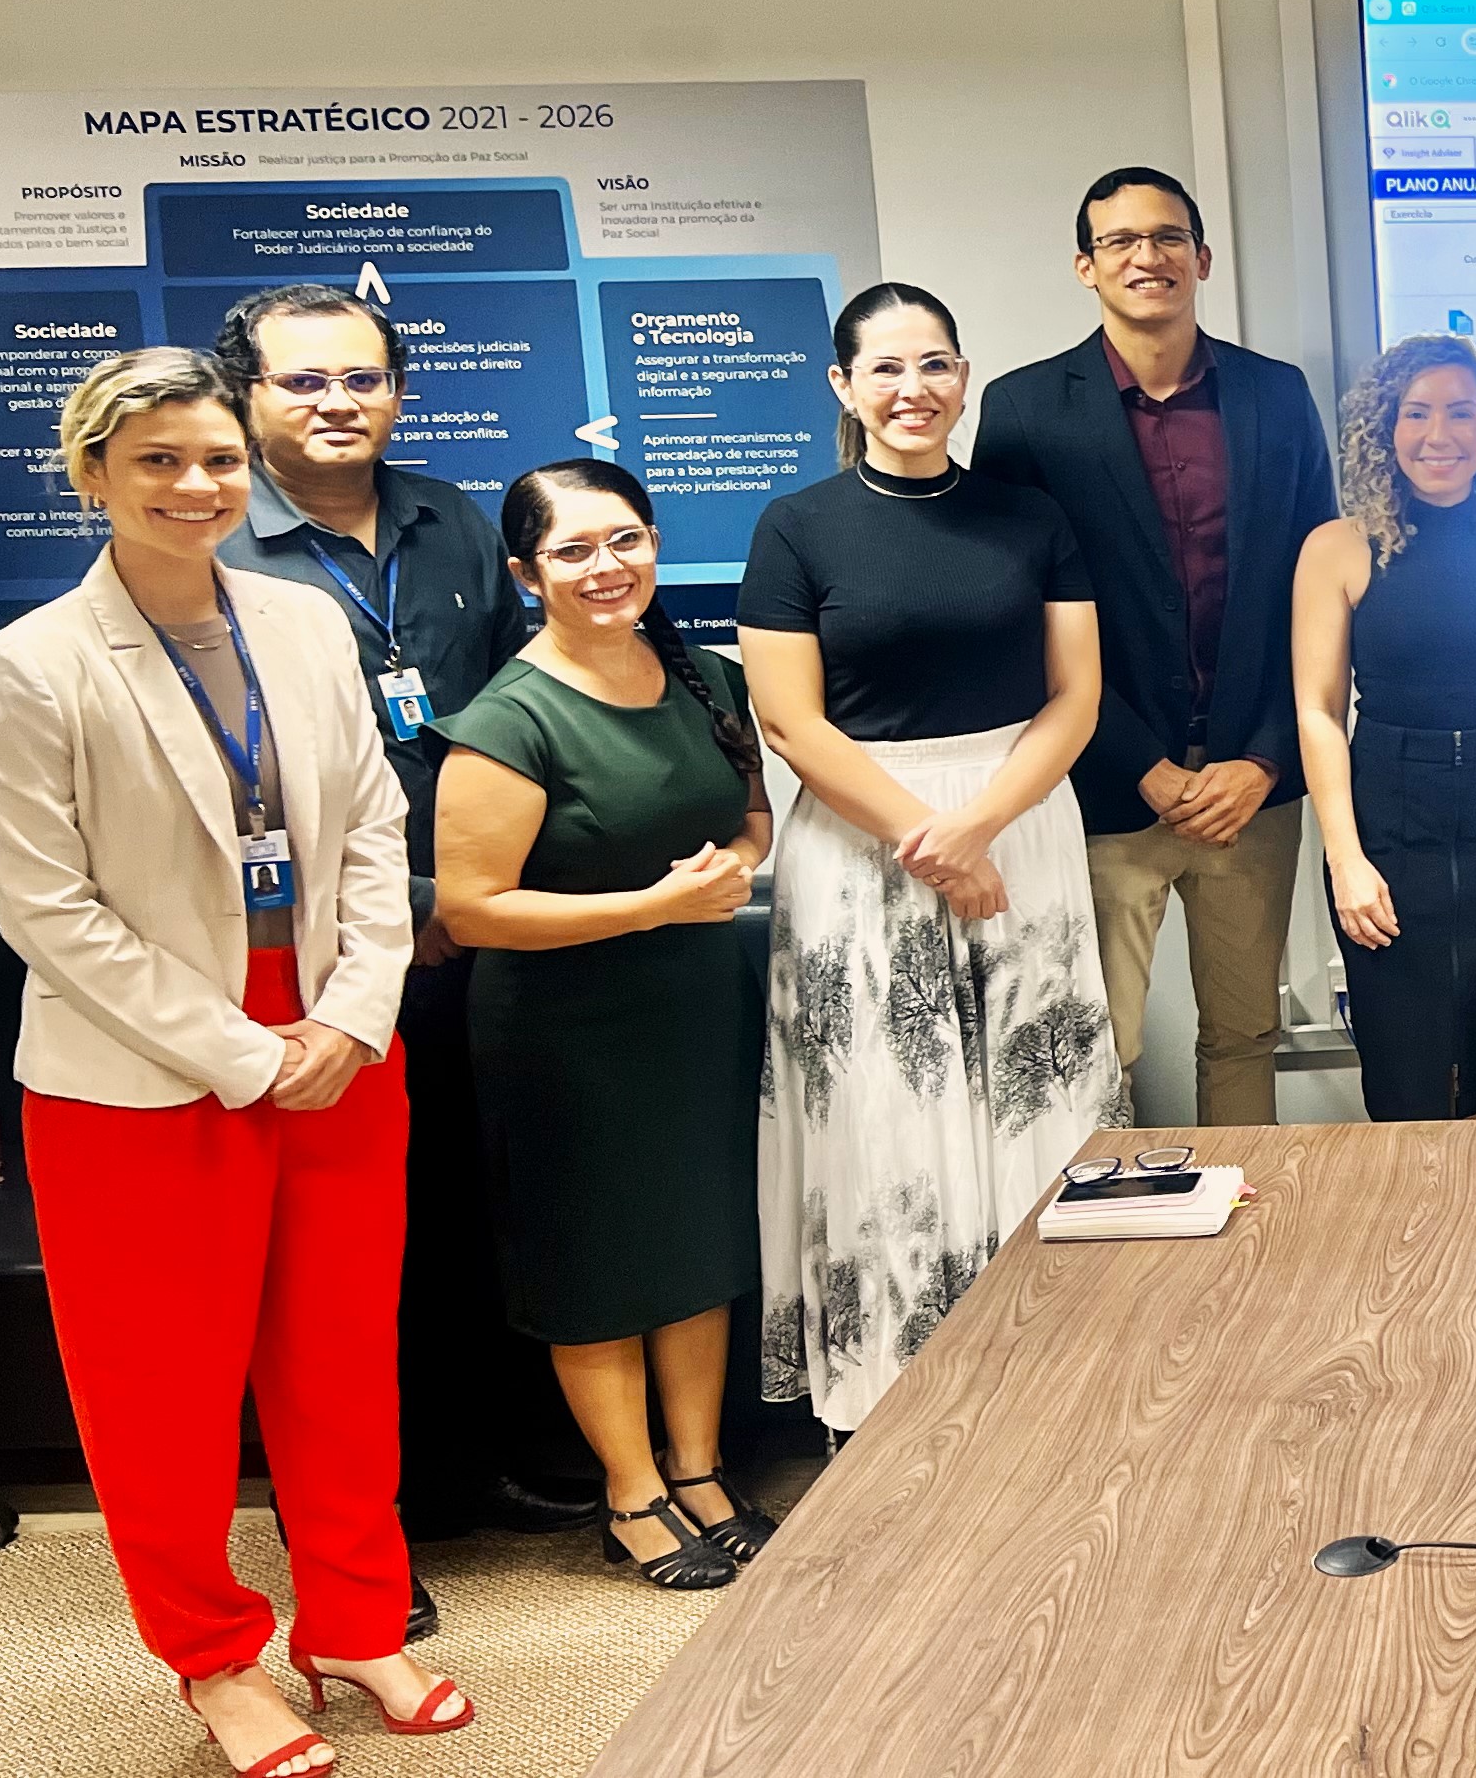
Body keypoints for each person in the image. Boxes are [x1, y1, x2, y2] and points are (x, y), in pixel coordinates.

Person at [0, 348, 471, 1777]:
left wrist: (357, 1012)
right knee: (161, 1391)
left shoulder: (302, 622)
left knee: (340, 1362)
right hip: (143, 1068)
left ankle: (356, 1622)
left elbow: (373, 829)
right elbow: (43, 910)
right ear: (91, 480)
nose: (197, 487)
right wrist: (240, 1053)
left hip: (332, 1037)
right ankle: (216, 1658)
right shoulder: (27, 666)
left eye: (217, 460)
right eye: (158, 464)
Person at [214, 283, 578, 1595]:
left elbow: (501, 715)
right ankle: (347, 1532)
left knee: (466, 1215)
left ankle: (458, 1469)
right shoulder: (213, 544)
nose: (336, 403)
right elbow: (220, 775)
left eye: (361, 378)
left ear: (399, 391)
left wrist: (470, 890)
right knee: (323, 1258)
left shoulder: (451, 519)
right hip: (309, 957)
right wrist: (389, 911)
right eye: (303, 381)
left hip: (472, 932)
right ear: (248, 396)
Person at [737, 283, 1117, 1435]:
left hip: (1017, 823)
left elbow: (1076, 695)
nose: (916, 390)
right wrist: (927, 838)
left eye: (937, 364)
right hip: (861, 843)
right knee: (882, 1108)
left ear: (964, 377)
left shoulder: (1029, 517)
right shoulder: (796, 526)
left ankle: (1051, 1378)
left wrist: (976, 828)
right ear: (843, 387)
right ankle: (893, 1396)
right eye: (887, 368)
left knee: (1036, 1094)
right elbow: (792, 726)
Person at [432, 462, 776, 1591]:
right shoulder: (507, 719)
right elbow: (472, 907)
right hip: (565, 1031)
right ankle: (630, 1490)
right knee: (595, 1262)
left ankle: (700, 1468)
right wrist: (653, 906)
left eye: (624, 539)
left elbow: (753, 819)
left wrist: (730, 867)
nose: (605, 567)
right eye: (573, 551)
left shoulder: (701, 672)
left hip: (692, 1006)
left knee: (695, 1246)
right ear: (528, 574)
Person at [971, 167, 1337, 1127]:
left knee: (1246, 1033)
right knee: (1101, 1041)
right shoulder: (1024, 410)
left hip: (1252, 788)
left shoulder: (1275, 396)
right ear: (1085, 267)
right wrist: (1142, 766)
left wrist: (1265, 757)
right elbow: (1020, 614)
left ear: (1202, 258)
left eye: (1168, 237)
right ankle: (1118, 1258)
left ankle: (1253, 1246)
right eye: (1122, 241)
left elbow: (1320, 592)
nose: (1149, 256)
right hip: (1108, 787)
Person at [1290, 334, 1476, 1119]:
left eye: (1461, 412)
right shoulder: (1338, 548)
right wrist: (1344, 858)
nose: (1439, 435)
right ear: (1384, 431)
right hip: (1385, 818)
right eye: (1415, 414)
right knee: (1406, 1078)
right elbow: (1316, 711)